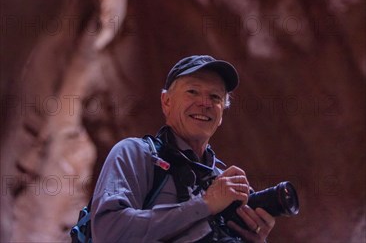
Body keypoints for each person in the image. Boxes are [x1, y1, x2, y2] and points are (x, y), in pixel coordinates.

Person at [91, 55, 276, 242]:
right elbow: (108, 232)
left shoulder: (222, 179)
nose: (205, 103)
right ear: (166, 102)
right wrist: (205, 204)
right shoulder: (136, 154)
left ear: (221, 115)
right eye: (193, 91)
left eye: (215, 97)